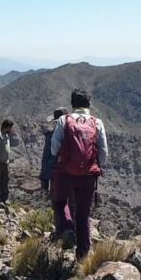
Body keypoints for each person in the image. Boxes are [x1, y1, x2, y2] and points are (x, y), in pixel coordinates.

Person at [51, 89, 109, 259]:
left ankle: (67, 229)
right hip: (88, 176)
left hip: (66, 174)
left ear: (72, 104)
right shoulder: (97, 122)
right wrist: (96, 165)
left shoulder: (64, 120)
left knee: (60, 203)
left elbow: (54, 148)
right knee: (83, 214)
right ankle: (82, 255)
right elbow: (104, 153)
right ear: (88, 105)